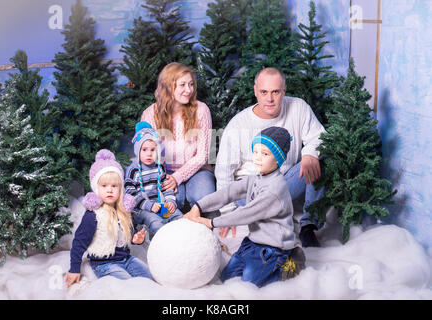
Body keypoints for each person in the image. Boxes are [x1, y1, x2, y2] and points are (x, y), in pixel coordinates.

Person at [214, 67, 326, 247]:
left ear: (284, 90)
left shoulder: (298, 108)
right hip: (253, 189)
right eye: (264, 92)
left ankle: (308, 227)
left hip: (285, 180)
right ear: (255, 91)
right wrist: (228, 213)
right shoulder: (238, 124)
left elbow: (319, 137)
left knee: (318, 161)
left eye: (275, 91)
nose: (270, 99)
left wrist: (310, 154)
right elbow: (223, 170)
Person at [186, 127, 305, 288]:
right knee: (227, 278)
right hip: (253, 242)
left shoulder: (275, 190)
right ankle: (253, 260)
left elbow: (246, 214)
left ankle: (292, 263)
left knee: (250, 284)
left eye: (265, 154)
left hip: (274, 248)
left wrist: (211, 223)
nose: (257, 158)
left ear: (277, 159)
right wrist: (199, 206)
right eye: (255, 152)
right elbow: (228, 192)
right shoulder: (255, 179)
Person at [65, 149, 152, 288]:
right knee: (129, 287)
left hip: (126, 259)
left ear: (120, 189)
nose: (110, 190)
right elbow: (79, 243)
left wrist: (136, 239)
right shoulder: (93, 215)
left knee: (149, 281)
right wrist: (74, 269)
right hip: (104, 264)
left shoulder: (124, 212)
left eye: (114, 186)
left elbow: (128, 234)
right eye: (104, 186)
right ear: (96, 187)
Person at [140, 62, 215, 212]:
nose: (189, 90)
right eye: (183, 85)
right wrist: (166, 178)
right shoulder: (149, 114)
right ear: (168, 87)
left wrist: (178, 177)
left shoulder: (201, 110)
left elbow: (203, 155)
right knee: (171, 204)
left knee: (205, 198)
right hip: (164, 173)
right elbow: (147, 153)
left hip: (198, 169)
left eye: (191, 84)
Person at [124, 121, 184, 235]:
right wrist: (149, 205)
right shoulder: (134, 171)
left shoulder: (159, 167)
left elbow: (166, 188)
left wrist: (171, 201)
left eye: (153, 150)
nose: (149, 154)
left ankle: (184, 237)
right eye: (144, 149)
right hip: (141, 208)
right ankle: (163, 240)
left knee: (178, 215)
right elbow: (130, 194)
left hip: (159, 204)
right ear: (138, 150)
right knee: (155, 222)